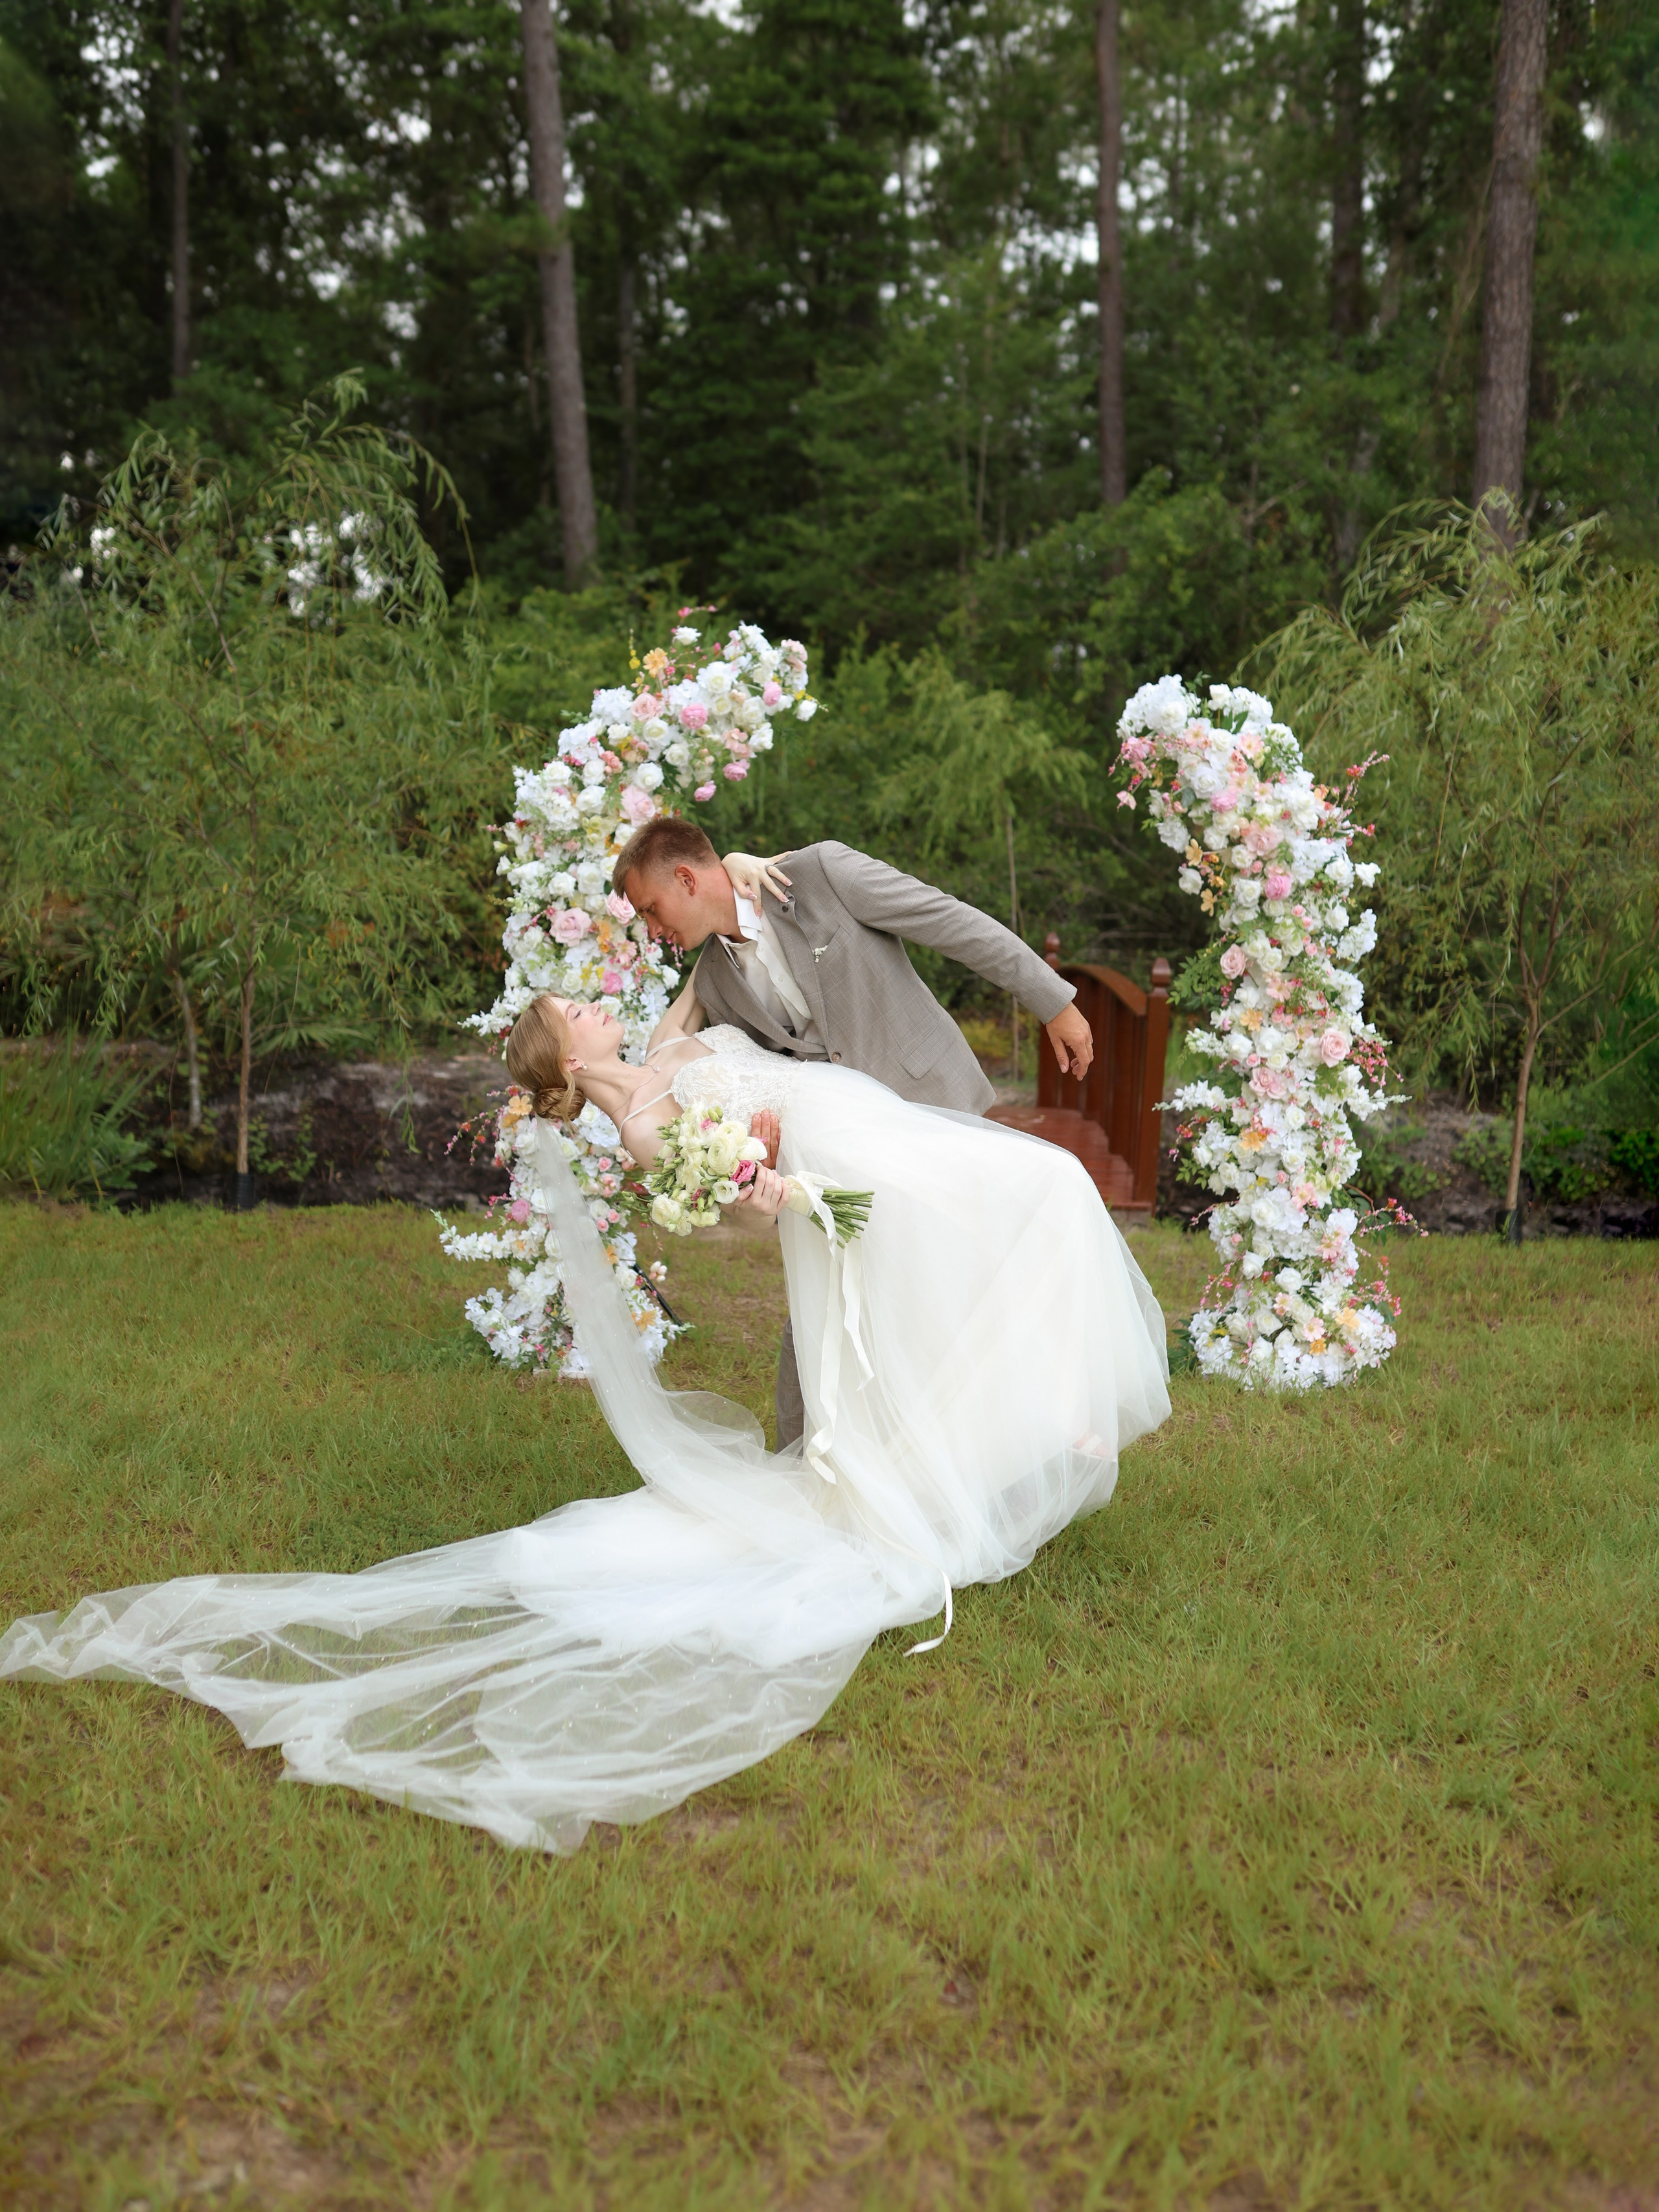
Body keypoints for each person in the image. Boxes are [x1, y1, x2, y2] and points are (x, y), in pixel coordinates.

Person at [0, 971, 1170, 1857]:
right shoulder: (649, 1126)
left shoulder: (664, 1055)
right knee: (1045, 1192)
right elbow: (725, 1221)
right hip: (855, 1178)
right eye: (577, 1007)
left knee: (1027, 1214)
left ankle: (1042, 1412)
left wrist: (740, 881)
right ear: (563, 1047)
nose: (600, 1004)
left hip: (888, 1142)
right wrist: (762, 1189)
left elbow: (704, 979)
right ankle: (1048, 1419)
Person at [613, 817, 1097, 1449]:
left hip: (928, 1104)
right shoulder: (715, 979)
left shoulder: (819, 876)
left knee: (980, 1271)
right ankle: (805, 1461)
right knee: (828, 1301)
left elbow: (951, 922)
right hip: (845, 1152)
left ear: (685, 877)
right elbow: (687, 1057)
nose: (653, 931)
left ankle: (1047, 1427)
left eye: (651, 909)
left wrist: (1052, 1001)